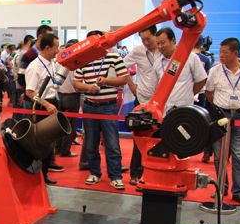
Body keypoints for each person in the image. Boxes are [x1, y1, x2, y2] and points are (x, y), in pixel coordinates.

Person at [73, 30, 128, 190]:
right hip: (90, 105)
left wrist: (106, 81)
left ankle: (116, 176)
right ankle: (94, 173)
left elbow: (124, 79)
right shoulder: (83, 60)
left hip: (109, 106)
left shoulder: (114, 57)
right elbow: (76, 83)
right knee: (91, 143)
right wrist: (88, 87)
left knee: (112, 143)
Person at [205, 38, 240, 205]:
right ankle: (221, 187)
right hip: (221, 115)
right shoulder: (215, 71)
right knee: (219, 155)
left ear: (235, 53)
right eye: (220, 52)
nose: (221, 55)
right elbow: (209, 93)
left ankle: (239, 192)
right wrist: (219, 109)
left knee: (238, 154)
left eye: (225, 52)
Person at [124, 25, 161, 185]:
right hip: (143, 102)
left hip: (162, 102)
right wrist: (132, 86)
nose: (145, 42)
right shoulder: (138, 51)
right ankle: (136, 173)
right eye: (143, 39)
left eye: (148, 39)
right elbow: (121, 67)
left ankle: (155, 173)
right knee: (140, 139)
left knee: (160, 139)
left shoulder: (164, 51)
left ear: (155, 35)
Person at [24, 33, 60, 185]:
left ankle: (46, 171)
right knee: (42, 143)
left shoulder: (51, 63)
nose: (58, 50)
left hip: (52, 103)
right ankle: (39, 176)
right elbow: (30, 92)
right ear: (47, 48)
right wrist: (46, 104)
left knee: (50, 141)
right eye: (56, 47)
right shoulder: (34, 67)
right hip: (41, 106)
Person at [154, 27, 207, 116]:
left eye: (163, 43)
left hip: (184, 109)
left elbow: (201, 80)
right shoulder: (157, 63)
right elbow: (156, 87)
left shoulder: (190, 57)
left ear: (173, 41)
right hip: (163, 111)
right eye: (158, 43)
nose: (160, 46)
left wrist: (188, 94)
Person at [56, 39, 81, 158]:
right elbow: (77, 83)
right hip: (72, 96)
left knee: (58, 124)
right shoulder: (77, 62)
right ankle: (65, 151)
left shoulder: (59, 61)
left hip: (59, 95)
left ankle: (57, 148)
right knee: (70, 126)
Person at [193, 37, 213, 163]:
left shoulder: (184, 57)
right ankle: (202, 146)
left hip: (185, 93)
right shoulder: (206, 59)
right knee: (201, 120)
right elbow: (206, 78)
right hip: (200, 92)